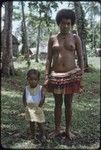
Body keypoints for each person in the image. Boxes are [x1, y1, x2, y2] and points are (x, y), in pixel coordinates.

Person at [44, 9, 84, 140]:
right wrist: (46, 75)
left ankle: (67, 130)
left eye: (68, 23)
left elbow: (81, 58)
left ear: (71, 24)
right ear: (58, 23)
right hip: (56, 76)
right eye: (63, 23)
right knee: (57, 103)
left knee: (68, 104)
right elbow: (49, 59)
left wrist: (81, 76)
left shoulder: (75, 38)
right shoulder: (52, 39)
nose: (65, 26)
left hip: (71, 76)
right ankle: (57, 129)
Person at [22, 69, 46, 142]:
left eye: (35, 79)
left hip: (37, 109)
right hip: (29, 109)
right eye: (31, 79)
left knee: (39, 123)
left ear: (38, 80)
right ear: (28, 79)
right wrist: (25, 105)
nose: (33, 81)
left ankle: (43, 134)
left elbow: (43, 97)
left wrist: (41, 104)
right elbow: (23, 97)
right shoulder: (26, 88)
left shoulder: (40, 88)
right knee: (31, 123)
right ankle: (33, 134)